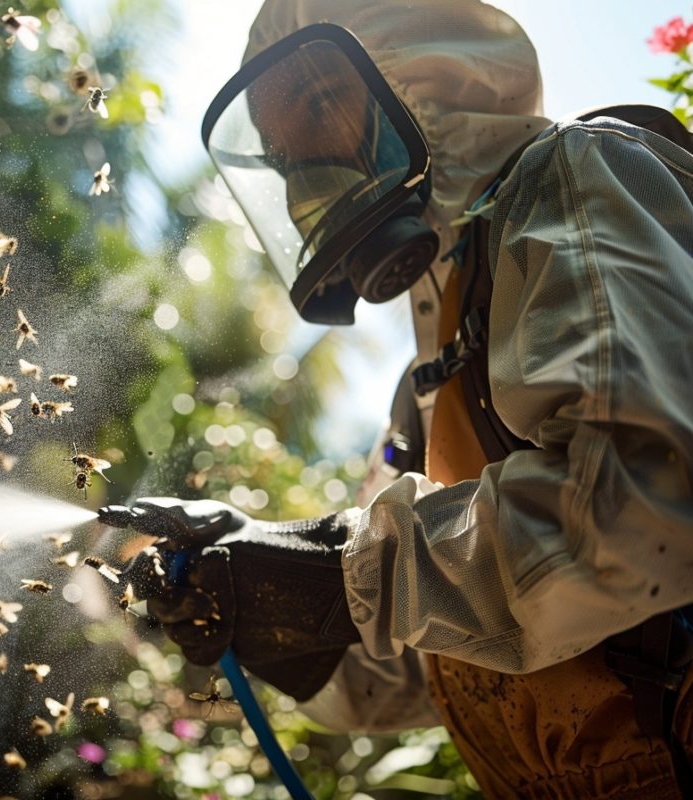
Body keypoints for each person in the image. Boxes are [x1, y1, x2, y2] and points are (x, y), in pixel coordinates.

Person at [100, 1, 693, 797]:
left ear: (416, 66)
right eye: (283, 154)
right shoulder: (428, 380)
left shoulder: (577, 179)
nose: (308, 164)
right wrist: (271, 604)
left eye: (319, 105)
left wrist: (345, 577)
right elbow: (439, 656)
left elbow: (647, 500)